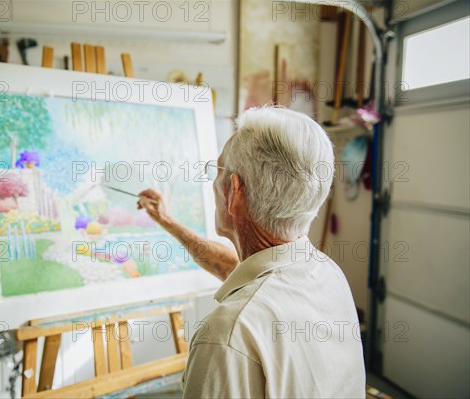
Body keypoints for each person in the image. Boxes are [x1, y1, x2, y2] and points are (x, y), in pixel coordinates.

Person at [137, 107, 365, 398]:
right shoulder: (327, 273)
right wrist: (168, 222)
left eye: (217, 172)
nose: (212, 184)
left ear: (234, 192)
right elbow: (243, 273)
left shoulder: (228, 333)